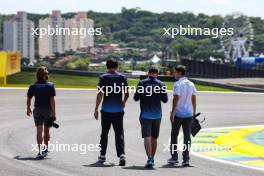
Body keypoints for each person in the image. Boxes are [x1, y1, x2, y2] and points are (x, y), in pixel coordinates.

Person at [94, 59, 129, 166]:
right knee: (119, 133)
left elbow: (100, 94)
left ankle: (102, 155)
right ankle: (122, 155)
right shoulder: (122, 77)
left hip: (106, 110)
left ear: (107, 66)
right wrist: (123, 103)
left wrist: (96, 108)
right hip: (118, 110)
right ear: (117, 67)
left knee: (104, 133)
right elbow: (127, 93)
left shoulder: (103, 77)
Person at [134, 67, 168, 168]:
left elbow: (136, 98)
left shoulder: (142, 83)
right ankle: (152, 158)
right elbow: (165, 100)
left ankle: (149, 158)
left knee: (147, 137)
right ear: (157, 74)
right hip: (157, 115)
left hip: (145, 114)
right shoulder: (162, 84)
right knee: (154, 137)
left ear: (148, 73)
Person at [168, 65, 197, 167]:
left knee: (174, 135)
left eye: (174, 72)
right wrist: (193, 112)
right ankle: (186, 159)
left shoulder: (177, 84)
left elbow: (175, 98)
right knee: (187, 137)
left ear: (180, 73)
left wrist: (172, 112)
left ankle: (174, 157)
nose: (173, 74)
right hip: (189, 114)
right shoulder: (191, 84)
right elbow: (194, 99)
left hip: (179, 114)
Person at [26, 66, 56, 159]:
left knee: (39, 131)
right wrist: (54, 112)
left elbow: (29, 98)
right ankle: (45, 149)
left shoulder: (33, 86)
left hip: (37, 110)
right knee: (46, 131)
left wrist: (28, 108)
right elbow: (52, 100)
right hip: (47, 110)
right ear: (45, 75)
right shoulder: (50, 85)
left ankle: (40, 151)